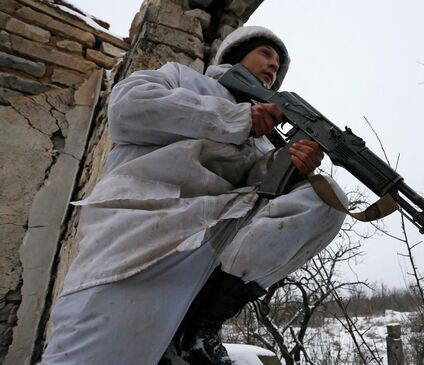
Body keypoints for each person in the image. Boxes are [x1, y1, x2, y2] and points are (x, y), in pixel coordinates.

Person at [40, 26, 347, 365]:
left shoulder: (264, 137)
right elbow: (127, 109)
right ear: (235, 55)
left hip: (214, 238)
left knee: (325, 198)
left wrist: (285, 163)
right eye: (265, 53)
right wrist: (237, 118)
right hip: (143, 237)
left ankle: (197, 328)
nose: (274, 66)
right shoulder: (182, 79)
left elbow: (254, 187)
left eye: (278, 63)